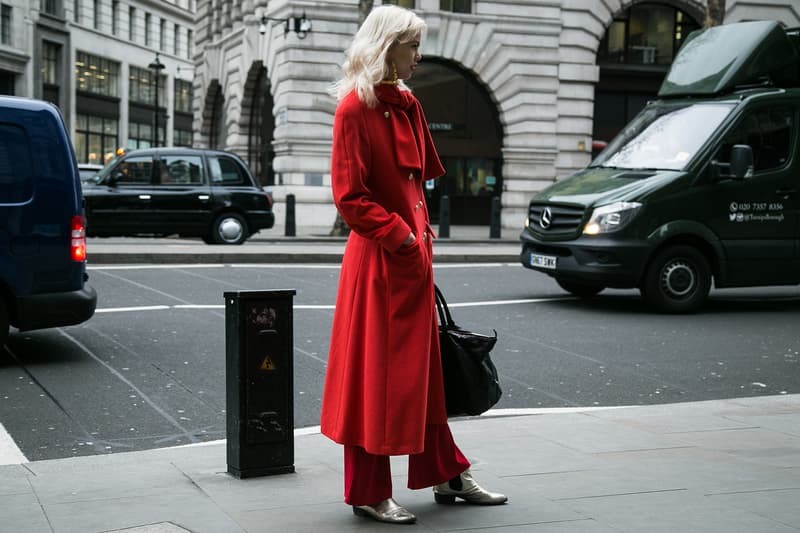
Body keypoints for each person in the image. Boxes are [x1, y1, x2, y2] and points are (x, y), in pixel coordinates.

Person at [319, 5, 507, 525]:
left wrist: (420, 237)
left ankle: (448, 474)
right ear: (386, 46)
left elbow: (416, 181)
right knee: (372, 381)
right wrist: (402, 236)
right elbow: (350, 197)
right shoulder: (354, 109)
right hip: (380, 266)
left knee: (423, 378)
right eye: (412, 46)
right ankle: (367, 491)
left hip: (411, 264)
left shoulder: (406, 102)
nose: (419, 57)